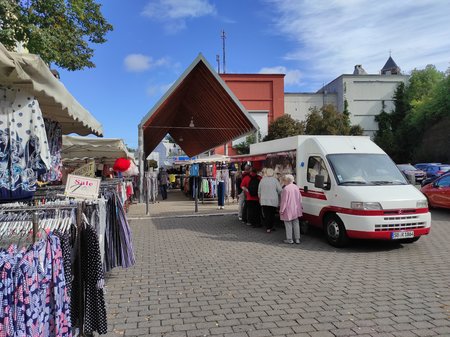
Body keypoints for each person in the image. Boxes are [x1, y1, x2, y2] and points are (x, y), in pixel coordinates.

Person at [279, 174, 303, 244]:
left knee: (288, 224)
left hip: (288, 209)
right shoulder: (296, 187)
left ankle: (289, 239)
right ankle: (297, 239)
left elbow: (284, 201)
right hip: (296, 208)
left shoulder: (286, 189)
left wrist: (281, 210)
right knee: (296, 223)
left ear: (286, 181)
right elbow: (300, 198)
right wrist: (300, 206)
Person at [258, 168, 282, 233]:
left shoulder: (262, 180)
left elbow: (259, 191)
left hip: (264, 200)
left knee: (266, 214)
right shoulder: (275, 180)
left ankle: (268, 227)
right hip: (273, 200)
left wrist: (260, 198)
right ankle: (271, 226)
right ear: (273, 173)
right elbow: (280, 190)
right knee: (272, 214)